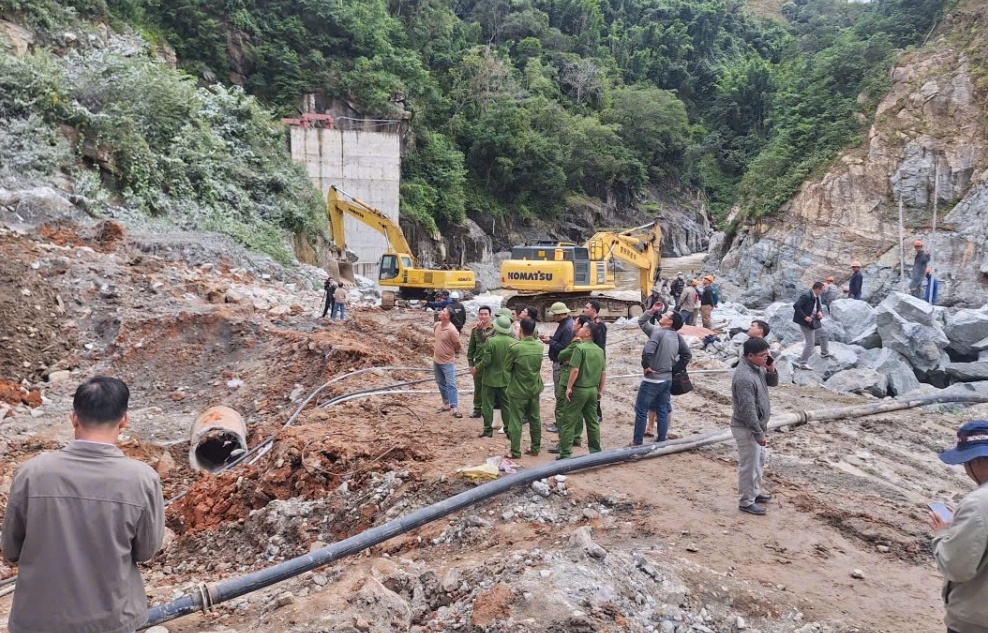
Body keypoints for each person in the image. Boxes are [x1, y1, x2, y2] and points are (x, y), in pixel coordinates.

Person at [1, 376, 165, 633]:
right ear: (124, 420)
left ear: (74, 417)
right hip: (110, 621)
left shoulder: (31, 473)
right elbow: (145, 552)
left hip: (36, 622)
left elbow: (10, 550)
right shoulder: (142, 479)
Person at [931, 420, 988, 633]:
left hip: (976, 622)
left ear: (977, 462)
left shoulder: (977, 504)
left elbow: (957, 568)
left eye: (965, 462)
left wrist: (943, 533)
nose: (965, 469)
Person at [731, 337, 779, 516]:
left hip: (757, 426)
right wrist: (758, 433)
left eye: (768, 354)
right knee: (749, 466)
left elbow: (772, 383)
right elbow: (748, 410)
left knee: (758, 462)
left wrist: (771, 368)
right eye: (763, 356)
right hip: (747, 428)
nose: (766, 358)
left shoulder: (757, 367)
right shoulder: (744, 377)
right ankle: (746, 501)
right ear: (750, 356)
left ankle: (755, 492)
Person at [632, 305, 690, 445]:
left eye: (666, 315)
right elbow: (687, 355)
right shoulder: (676, 336)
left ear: (670, 322)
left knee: (641, 410)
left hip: (652, 380)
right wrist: (673, 369)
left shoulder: (658, 333)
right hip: (666, 380)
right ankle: (661, 440)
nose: (662, 315)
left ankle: (637, 442)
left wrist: (646, 366)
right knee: (663, 410)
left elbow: (647, 352)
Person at [557, 319, 606, 459]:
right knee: (592, 421)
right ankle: (596, 451)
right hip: (592, 390)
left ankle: (565, 453)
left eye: (583, 328)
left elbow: (575, 370)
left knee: (568, 421)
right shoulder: (599, 350)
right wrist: (600, 390)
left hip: (579, 390)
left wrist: (569, 387)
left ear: (587, 333)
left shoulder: (580, 348)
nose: (579, 329)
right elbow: (603, 373)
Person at [504, 318, 544, 458]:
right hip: (534, 388)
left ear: (520, 330)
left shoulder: (515, 348)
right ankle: (535, 448)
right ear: (533, 331)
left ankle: (515, 451)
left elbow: (507, 368)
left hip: (518, 390)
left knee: (515, 420)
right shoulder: (539, 347)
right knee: (535, 419)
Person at [548, 316, 588, 454]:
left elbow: (561, 355)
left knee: (562, 411)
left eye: (576, 323)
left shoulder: (575, 343)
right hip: (581, 382)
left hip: (567, 379)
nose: (573, 324)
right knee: (577, 412)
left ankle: (563, 443)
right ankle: (576, 437)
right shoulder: (588, 344)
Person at [475, 315, 514, 437]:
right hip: (505, 378)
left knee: (487, 405)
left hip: (489, 378)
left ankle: (487, 430)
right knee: (506, 405)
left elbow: (486, 361)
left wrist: (477, 367)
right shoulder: (513, 342)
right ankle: (508, 429)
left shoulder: (491, 341)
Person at [540, 302, 573, 434]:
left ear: (560, 314)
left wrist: (550, 342)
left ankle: (560, 424)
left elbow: (564, 348)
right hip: (560, 363)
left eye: (554, 315)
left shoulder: (566, 328)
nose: (553, 317)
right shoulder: (566, 324)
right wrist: (552, 339)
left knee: (560, 395)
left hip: (561, 365)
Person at [793, 281, 833, 370]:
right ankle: (803, 363)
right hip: (805, 323)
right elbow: (796, 306)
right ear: (817, 289)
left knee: (824, 333)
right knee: (810, 343)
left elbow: (818, 306)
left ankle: (824, 352)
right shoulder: (806, 296)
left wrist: (820, 312)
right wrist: (805, 317)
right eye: (822, 290)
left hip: (814, 321)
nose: (823, 292)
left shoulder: (817, 296)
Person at [432, 306, 462, 418]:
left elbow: (458, 345)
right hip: (436, 360)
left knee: (451, 384)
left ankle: (454, 407)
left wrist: (450, 353)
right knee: (440, 383)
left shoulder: (452, 330)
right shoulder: (436, 325)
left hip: (448, 362)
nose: (440, 312)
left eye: (443, 311)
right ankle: (446, 404)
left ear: (448, 316)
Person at [467, 306, 495, 419]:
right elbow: (471, 349)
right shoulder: (475, 330)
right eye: (481, 314)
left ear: (490, 315)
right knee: (478, 387)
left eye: (485, 314)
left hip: (491, 364)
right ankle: (477, 409)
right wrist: (470, 364)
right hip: (478, 363)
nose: (483, 316)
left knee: (491, 388)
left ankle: (489, 410)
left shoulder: (495, 330)